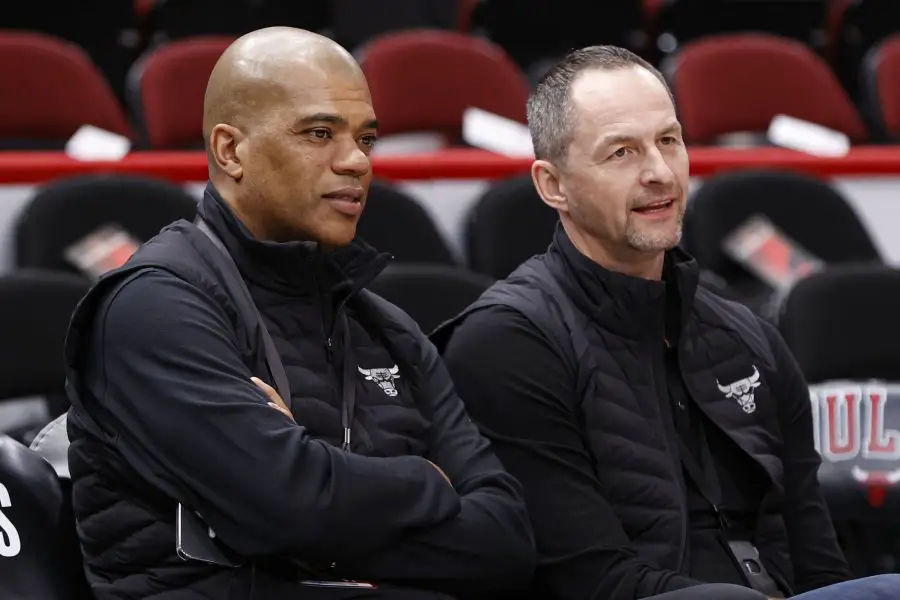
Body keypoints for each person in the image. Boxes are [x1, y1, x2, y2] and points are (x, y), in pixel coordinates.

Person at [63, 27, 534, 600]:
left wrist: (319, 502)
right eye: (319, 133)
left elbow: (506, 538)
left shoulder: (384, 327)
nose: (356, 161)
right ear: (230, 151)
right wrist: (425, 481)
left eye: (366, 138)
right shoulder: (152, 306)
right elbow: (288, 505)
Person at [432, 46, 900, 600]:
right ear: (552, 185)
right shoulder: (505, 343)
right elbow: (583, 578)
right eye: (622, 152)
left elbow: (819, 563)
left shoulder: (747, 336)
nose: (659, 173)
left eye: (669, 141)